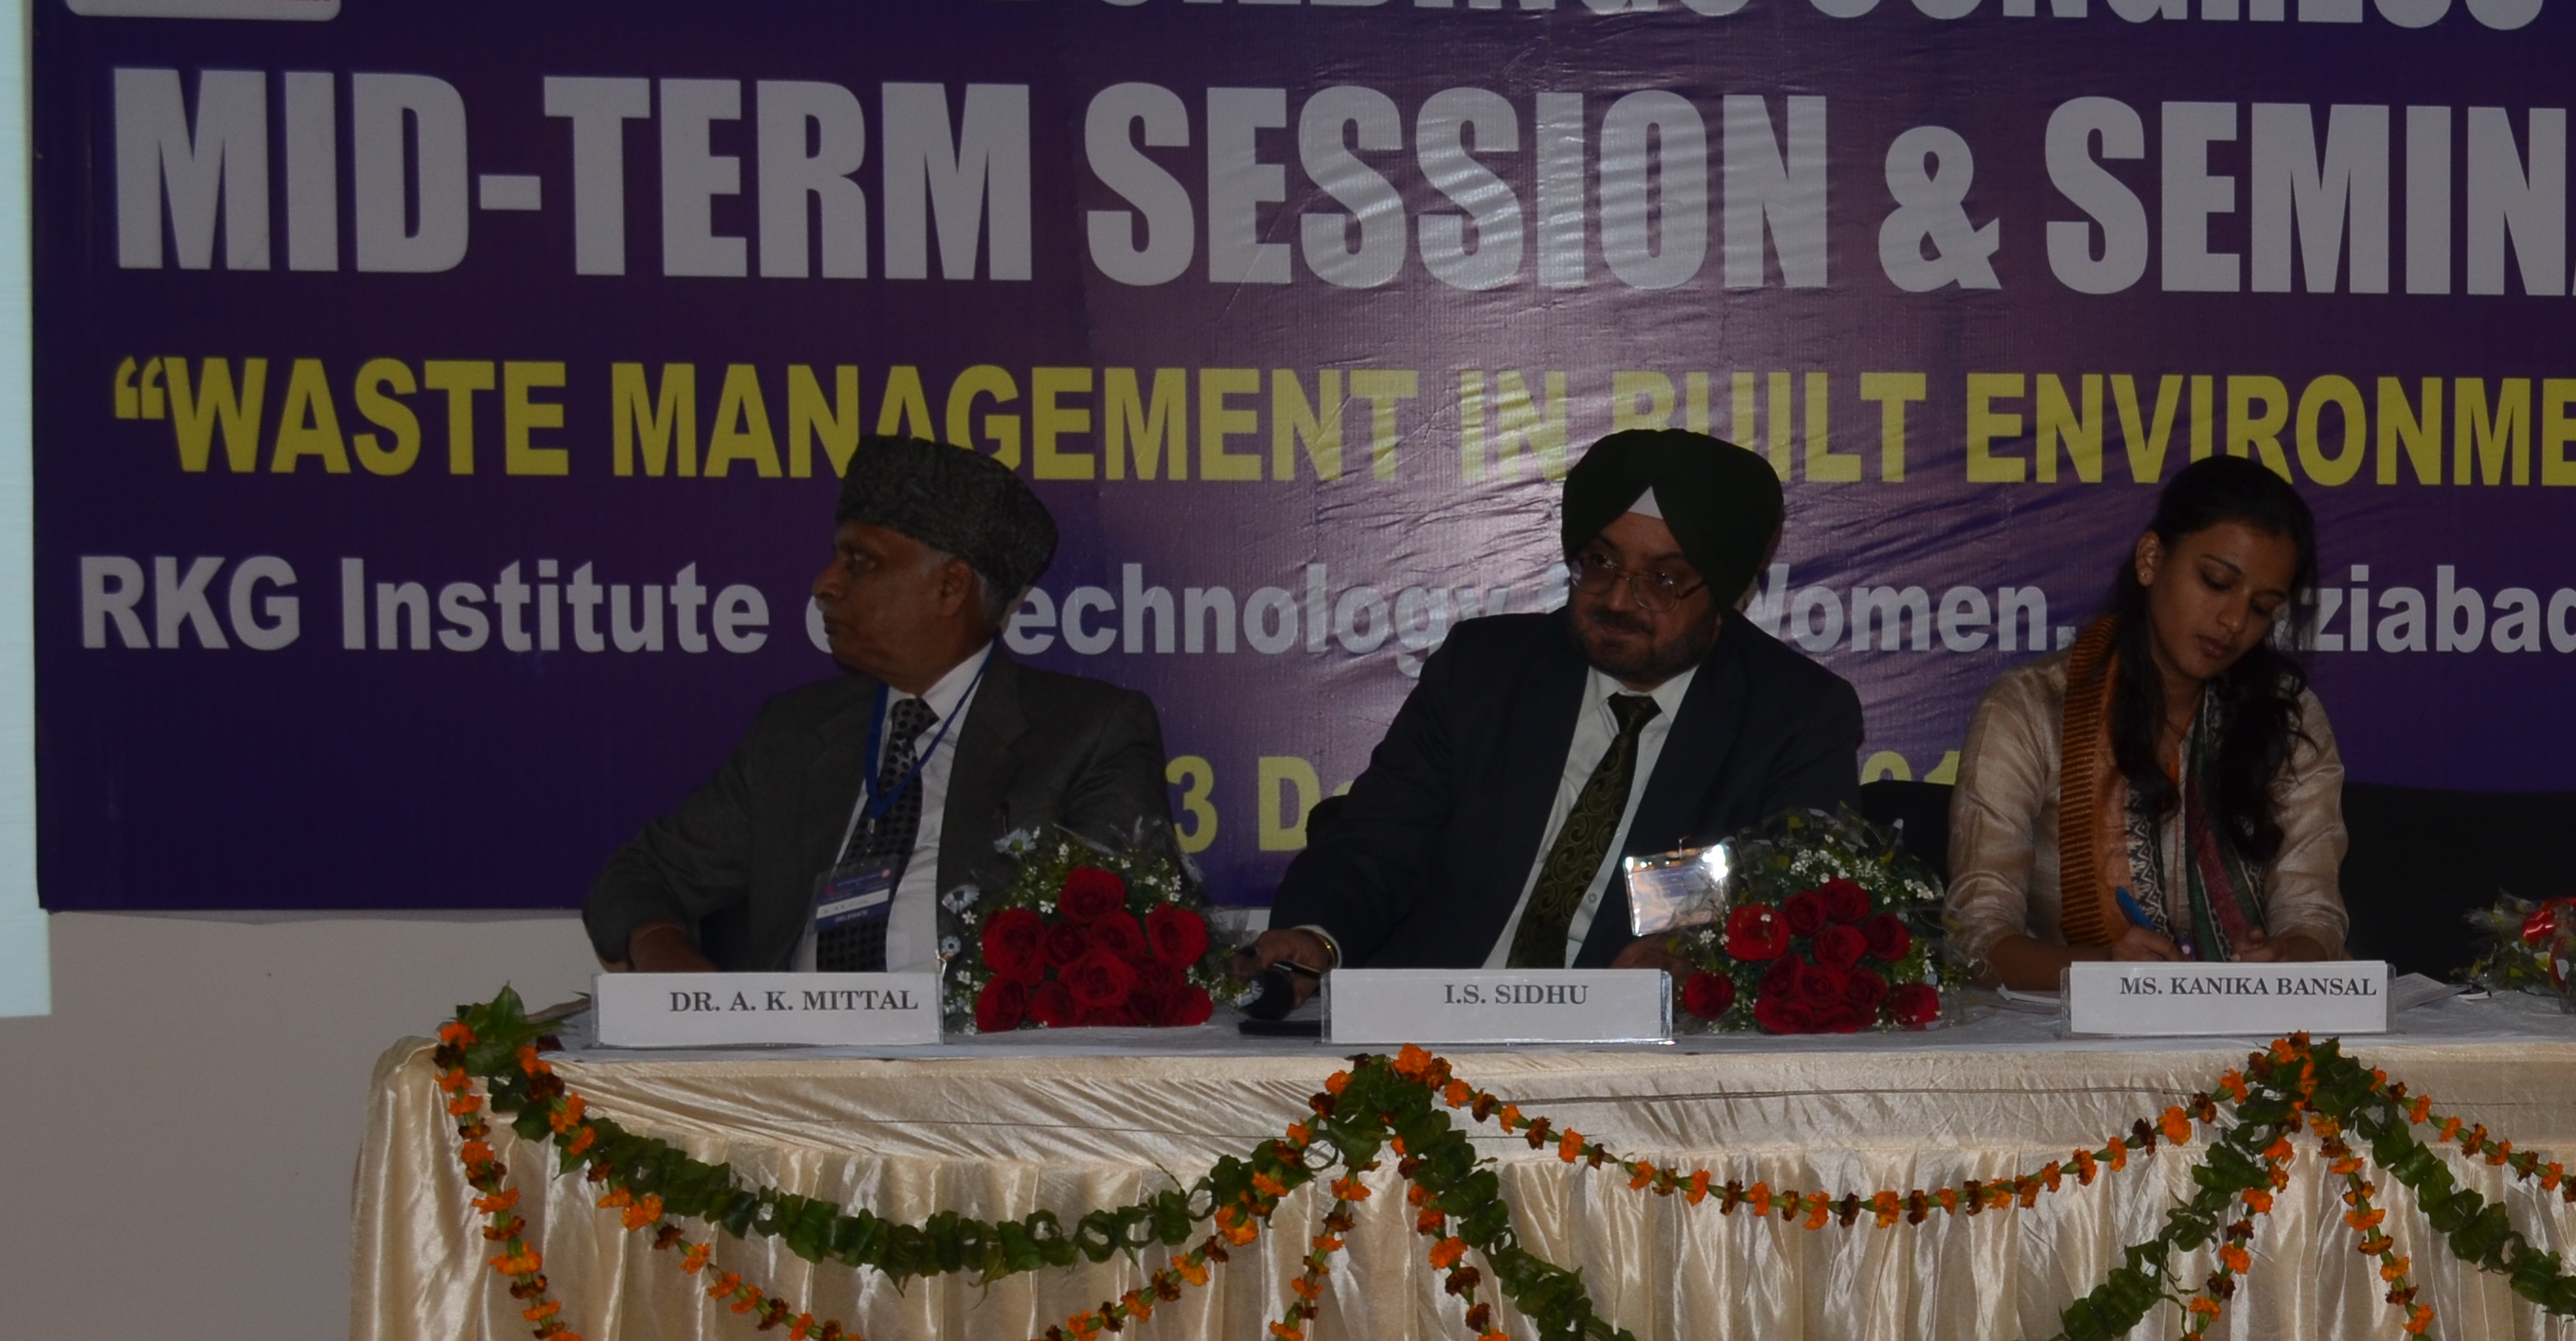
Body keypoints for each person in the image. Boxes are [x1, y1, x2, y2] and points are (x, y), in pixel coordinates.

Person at [1248, 430, 1861, 988]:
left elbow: (1792, 902)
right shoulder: (1484, 671)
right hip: (1430, 1017)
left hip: (1627, 1047)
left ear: (1726, 591)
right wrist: (1315, 936)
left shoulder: (1794, 716)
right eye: (1600, 562)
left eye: (1662, 579)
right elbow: (1379, 843)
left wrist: (1694, 954)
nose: (1618, 599)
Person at [586, 438, 1171, 978]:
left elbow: (1123, 942)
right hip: (794, 1049)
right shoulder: (794, 733)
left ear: (950, 588)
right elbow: (638, 876)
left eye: (859, 562)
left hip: (970, 1050)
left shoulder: (1087, 734)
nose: (824, 584)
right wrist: (660, 946)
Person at [1946, 455, 2347, 990]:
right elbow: (1976, 936)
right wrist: (2103, 972)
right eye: (2216, 582)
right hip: (2069, 1029)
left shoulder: (2287, 717)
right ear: (2151, 559)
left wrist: (2286, 958)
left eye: (2262, 608)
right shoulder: (2029, 710)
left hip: (2251, 1026)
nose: (2233, 621)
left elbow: (2314, 913)